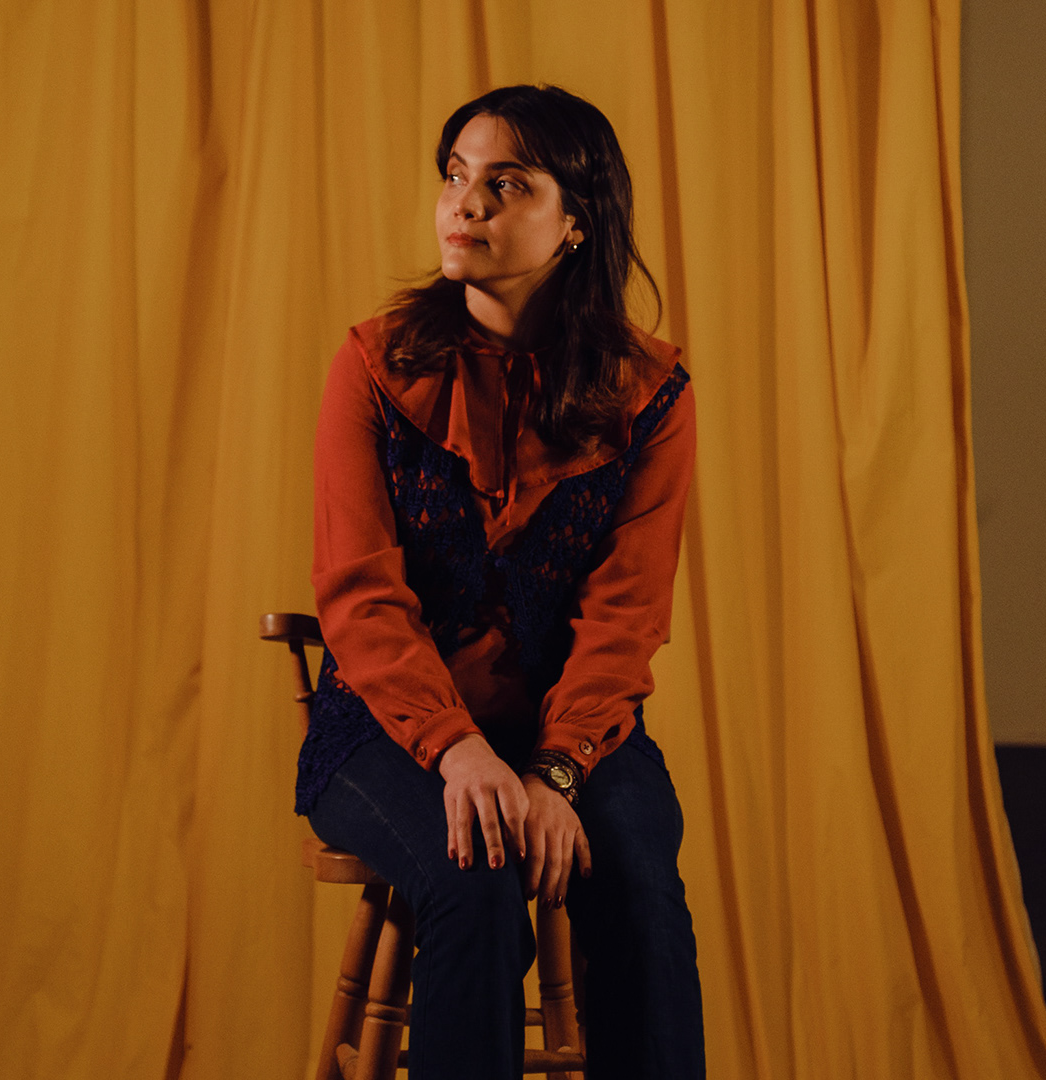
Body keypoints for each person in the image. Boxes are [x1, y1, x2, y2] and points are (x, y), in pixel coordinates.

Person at [297, 84, 704, 1079]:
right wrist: (455, 748)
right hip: (384, 726)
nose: (465, 203)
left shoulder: (650, 393)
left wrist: (558, 768)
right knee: (473, 878)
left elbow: (626, 613)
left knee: (641, 885)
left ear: (576, 221)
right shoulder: (375, 364)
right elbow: (359, 594)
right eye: (456, 175)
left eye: (507, 183)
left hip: (571, 727)